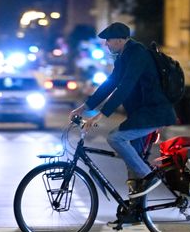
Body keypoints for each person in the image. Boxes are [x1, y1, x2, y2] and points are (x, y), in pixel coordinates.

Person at [69, 22, 177, 201]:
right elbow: (111, 83)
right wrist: (84, 107)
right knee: (132, 162)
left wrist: (101, 114)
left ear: (120, 40)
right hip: (141, 115)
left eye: (108, 40)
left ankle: (150, 177)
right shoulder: (124, 56)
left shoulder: (137, 54)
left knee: (115, 138)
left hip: (153, 114)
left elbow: (126, 85)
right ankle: (134, 212)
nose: (106, 44)